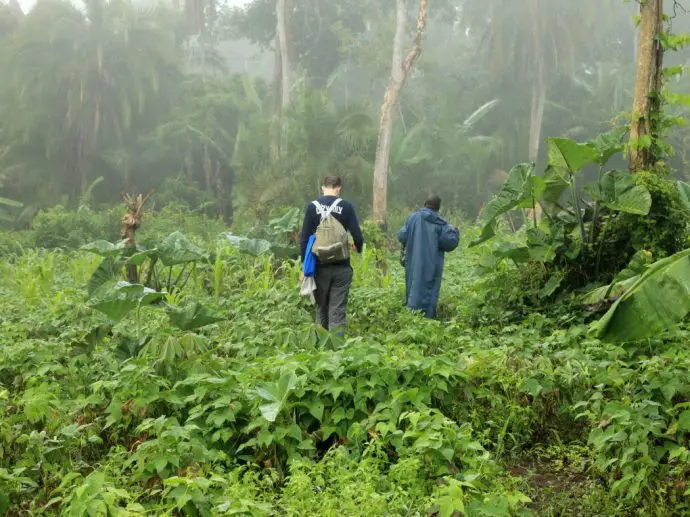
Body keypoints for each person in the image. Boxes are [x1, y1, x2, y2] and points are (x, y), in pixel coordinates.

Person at [300, 176, 364, 335]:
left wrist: (304, 265)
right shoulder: (346, 207)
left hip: (319, 267)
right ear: (338, 188)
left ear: (323, 187)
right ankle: (337, 349)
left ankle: (321, 349)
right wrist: (358, 247)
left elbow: (304, 239)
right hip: (341, 267)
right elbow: (358, 236)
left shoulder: (312, 207)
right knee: (337, 310)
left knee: (321, 308)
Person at [398, 195, 459, 318]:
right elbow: (449, 242)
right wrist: (455, 231)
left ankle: (412, 317)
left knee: (413, 286)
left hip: (414, 263)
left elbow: (402, 236)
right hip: (432, 264)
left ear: (425, 204)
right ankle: (428, 320)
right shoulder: (441, 223)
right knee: (430, 292)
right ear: (438, 207)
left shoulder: (412, 218)